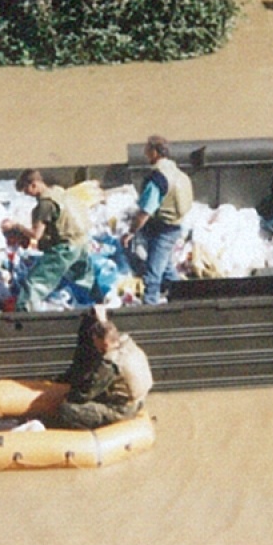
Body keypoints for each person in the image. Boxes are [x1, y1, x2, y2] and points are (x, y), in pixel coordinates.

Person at [49, 307, 152, 430]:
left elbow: (85, 394)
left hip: (122, 410)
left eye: (95, 341)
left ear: (104, 344)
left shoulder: (109, 364)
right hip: (138, 401)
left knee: (66, 409)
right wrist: (102, 319)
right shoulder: (128, 345)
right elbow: (107, 330)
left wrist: (66, 395)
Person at [8, 169, 93, 312]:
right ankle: (94, 307)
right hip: (82, 244)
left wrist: (16, 226)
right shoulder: (60, 193)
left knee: (34, 282)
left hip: (65, 248)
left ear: (34, 185)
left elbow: (36, 234)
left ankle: (25, 316)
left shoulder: (45, 203)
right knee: (82, 280)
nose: (27, 194)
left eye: (26, 190)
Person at [126, 135, 193, 304]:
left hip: (162, 229)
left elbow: (145, 211)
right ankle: (184, 297)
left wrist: (131, 232)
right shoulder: (178, 174)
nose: (145, 154)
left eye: (147, 150)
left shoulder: (158, 178)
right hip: (175, 226)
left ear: (154, 152)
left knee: (152, 274)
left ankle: (151, 308)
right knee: (166, 266)